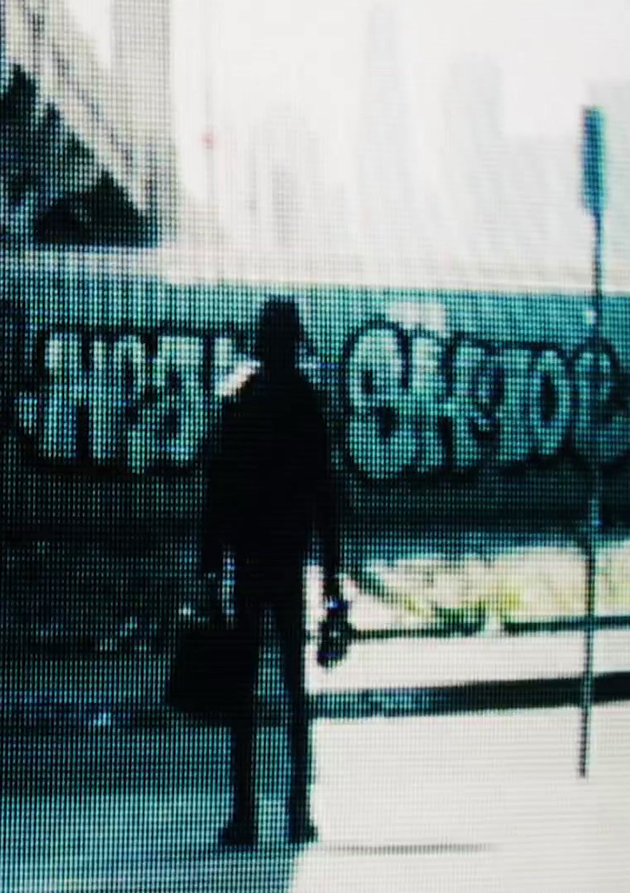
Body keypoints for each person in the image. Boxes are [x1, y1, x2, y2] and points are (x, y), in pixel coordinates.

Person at [200, 297, 351, 848]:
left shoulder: (240, 404)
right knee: (295, 692)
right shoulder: (308, 406)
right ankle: (297, 810)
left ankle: (244, 815)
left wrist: (209, 569)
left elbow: (215, 493)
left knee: (243, 693)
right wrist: (332, 578)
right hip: (289, 565)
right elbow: (325, 498)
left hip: (249, 566)